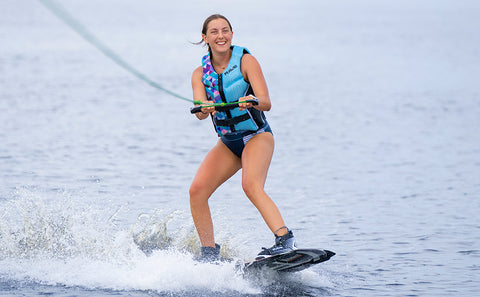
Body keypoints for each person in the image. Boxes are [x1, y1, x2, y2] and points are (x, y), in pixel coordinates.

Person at [189, 14, 296, 262]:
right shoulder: (199, 74)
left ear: (232, 34)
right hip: (228, 142)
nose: (221, 36)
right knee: (197, 191)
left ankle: (284, 239)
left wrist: (252, 100)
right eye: (214, 32)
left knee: (250, 185)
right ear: (205, 38)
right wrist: (204, 108)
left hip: (257, 136)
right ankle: (208, 253)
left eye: (225, 30)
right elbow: (200, 114)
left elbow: (266, 103)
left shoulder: (247, 61)